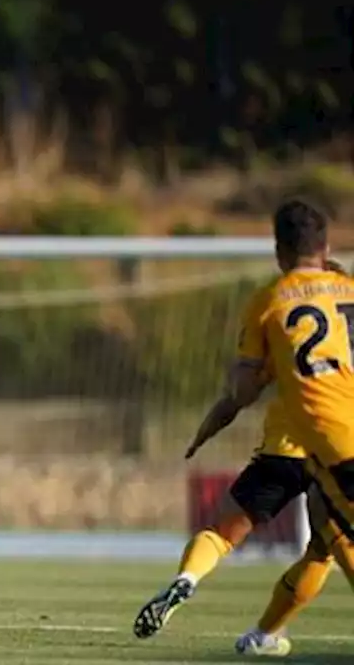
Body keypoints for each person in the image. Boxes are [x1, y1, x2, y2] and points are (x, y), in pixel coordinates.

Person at [140, 200, 354, 653]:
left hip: (290, 449)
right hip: (335, 449)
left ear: (279, 251)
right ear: (328, 247)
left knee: (223, 530)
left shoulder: (270, 304)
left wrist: (206, 431)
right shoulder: (349, 292)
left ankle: (190, 580)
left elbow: (240, 392)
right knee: (325, 546)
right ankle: (264, 634)